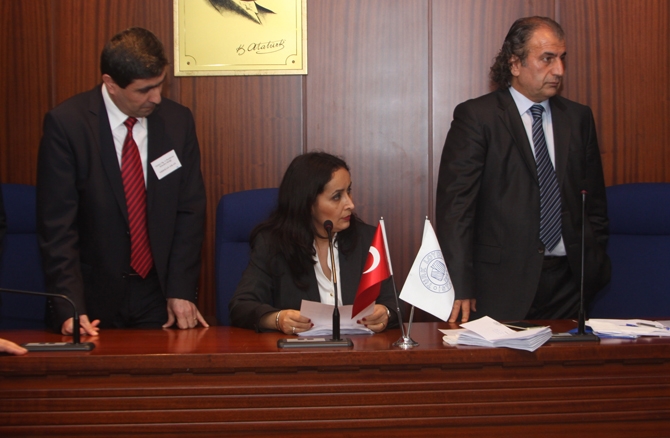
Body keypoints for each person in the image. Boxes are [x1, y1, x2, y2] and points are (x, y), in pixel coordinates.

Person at [436, 16, 610, 323]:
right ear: (515, 64)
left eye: (562, 58)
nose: (559, 70)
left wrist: (592, 261)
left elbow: (593, 202)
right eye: (547, 59)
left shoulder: (578, 118)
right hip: (500, 285)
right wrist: (460, 283)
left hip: (570, 285)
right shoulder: (478, 117)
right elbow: (456, 209)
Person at [37, 28, 208, 336]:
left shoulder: (177, 121)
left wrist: (181, 290)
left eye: (160, 84)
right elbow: (58, 227)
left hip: (158, 294)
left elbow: (190, 211)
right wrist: (69, 306)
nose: (156, 97)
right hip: (91, 298)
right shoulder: (68, 125)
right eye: (144, 90)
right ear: (111, 84)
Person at [229, 152, 398, 334]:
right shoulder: (273, 244)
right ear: (308, 203)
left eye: (348, 191)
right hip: (301, 349)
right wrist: (278, 319)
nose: (350, 204)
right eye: (337, 196)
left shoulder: (368, 239)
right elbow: (241, 306)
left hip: (359, 348)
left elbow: (394, 303)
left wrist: (385, 313)